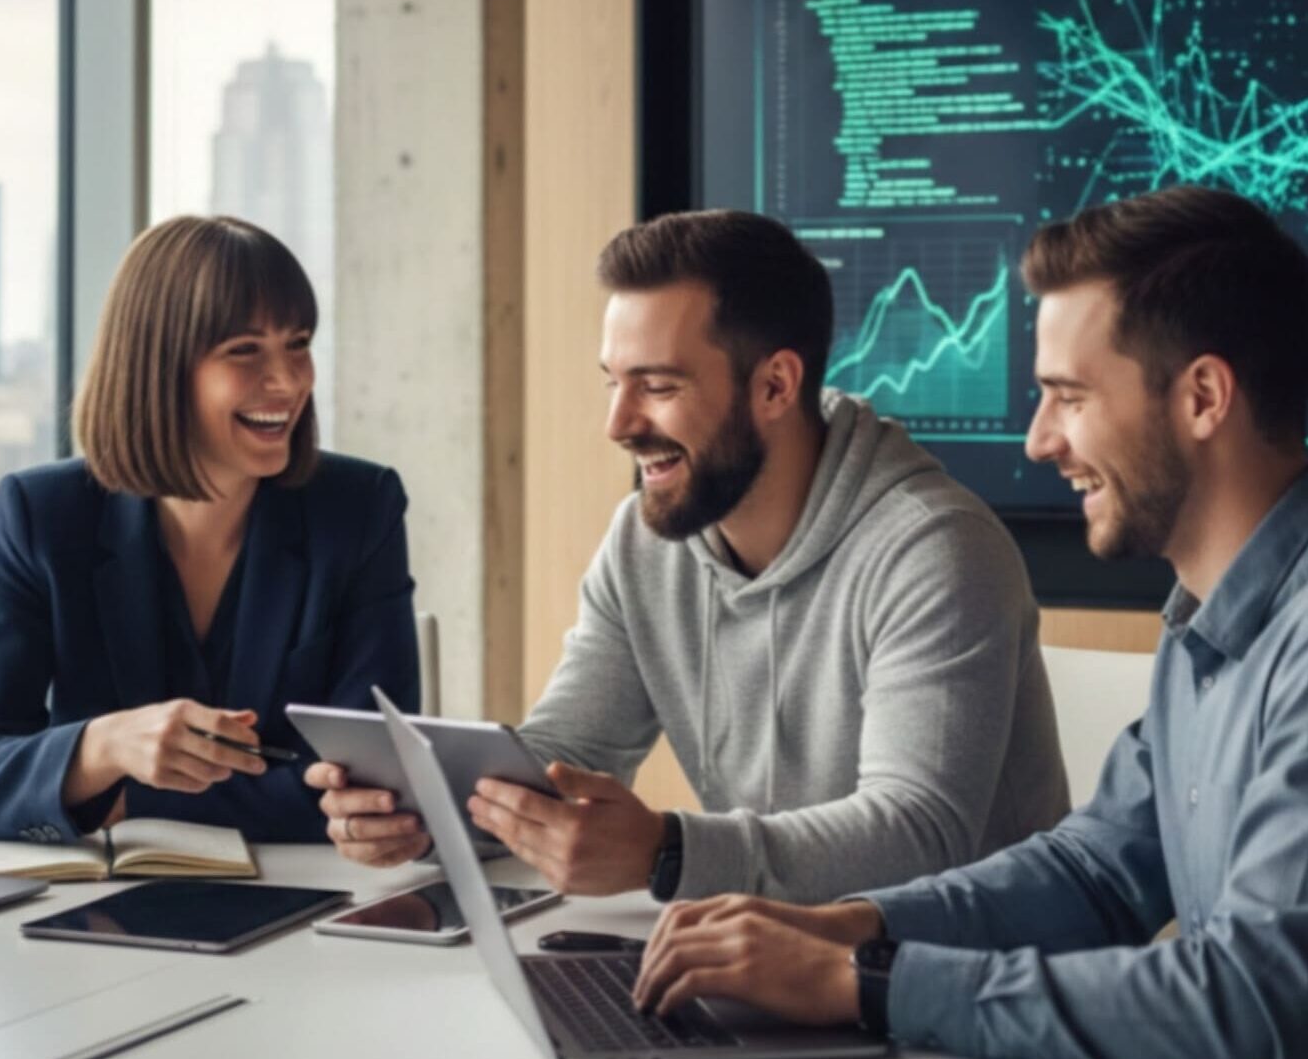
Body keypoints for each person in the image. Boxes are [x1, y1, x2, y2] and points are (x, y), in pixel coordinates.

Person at [631, 187, 1308, 1059]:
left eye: (1069, 397)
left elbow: (1250, 1010)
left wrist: (866, 986)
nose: (1040, 439)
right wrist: (853, 926)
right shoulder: (1212, 622)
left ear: (1203, 397)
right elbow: (1095, 877)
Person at [310, 210, 1069, 902]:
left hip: (964, 987)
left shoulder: (935, 551)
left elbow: (918, 835)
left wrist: (669, 852)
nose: (618, 423)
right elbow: (567, 752)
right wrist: (423, 811)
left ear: (775, 384)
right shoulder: (644, 542)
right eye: (613, 382)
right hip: (777, 960)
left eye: (658, 386)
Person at [0, 215, 419, 846]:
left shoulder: (359, 510)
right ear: (156, 370)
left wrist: (124, 796)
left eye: (297, 344)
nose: (290, 380)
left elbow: (373, 792)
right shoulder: (42, 516)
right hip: (92, 927)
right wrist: (103, 747)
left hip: (304, 914)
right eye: (246, 351)